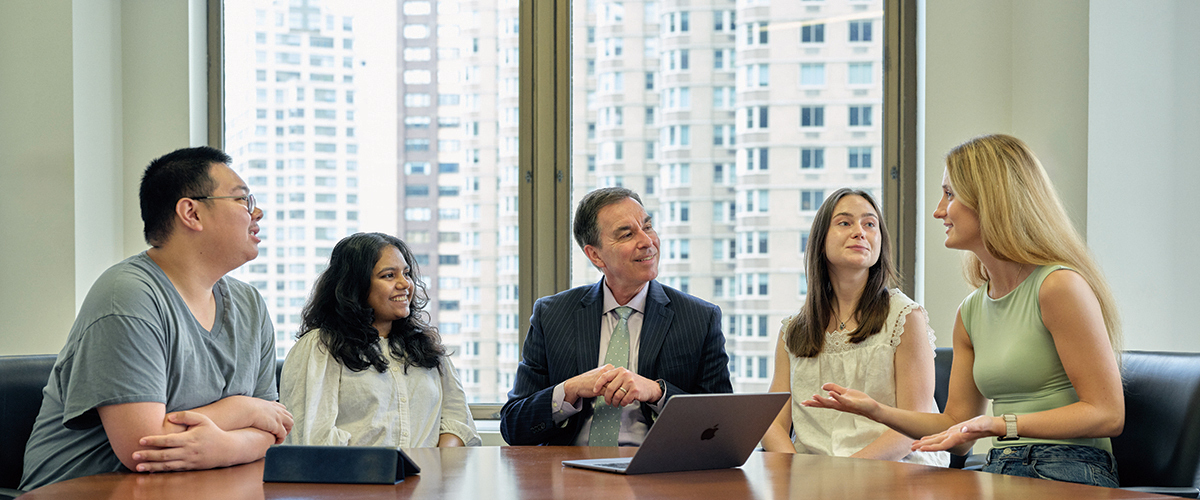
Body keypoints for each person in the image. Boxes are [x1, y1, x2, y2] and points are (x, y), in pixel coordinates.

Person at [803, 134, 1123, 487]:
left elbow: (1108, 414)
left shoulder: (1059, 287)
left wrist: (999, 424)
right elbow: (960, 424)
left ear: (990, 200)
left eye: (950, 194)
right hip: (1003, 464)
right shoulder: (970, 311)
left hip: (1069, 466)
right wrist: (876, 410)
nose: (939, 210)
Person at [21, 146, 290, 490]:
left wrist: (224, 447)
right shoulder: (128, 295)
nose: (258, 213)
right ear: (191, 213)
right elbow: (143, 446)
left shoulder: (249, 304)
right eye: (243, 201)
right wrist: (242, 409)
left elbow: (275, 430)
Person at [500, 187, 732, 446]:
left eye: (648, 227)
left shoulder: (700, 318)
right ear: (595, 255)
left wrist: (658, 393)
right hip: (569, 473)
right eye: (627, 234)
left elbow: (722, 426)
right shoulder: (552, 315)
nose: (647, 241)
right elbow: (513, 426)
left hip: (656, 474)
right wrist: (569, 390)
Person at [760, 189, 948, 466]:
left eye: (870, 224)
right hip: (815, 475)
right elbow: (772, 424)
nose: (860, 231)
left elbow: (913, 428)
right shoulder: (793, 331)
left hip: (899, 466)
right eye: (845, 223)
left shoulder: (905, 316)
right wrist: (796, 473)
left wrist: (844, 475)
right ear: (820, 241)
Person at [280, 232, 480, 447]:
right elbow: (312, 438)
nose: (405, 284)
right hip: (353, 479)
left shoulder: (425, 347)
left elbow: (458, 422)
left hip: (428, 478)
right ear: (355, 286)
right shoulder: (321, 346)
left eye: (406, 273)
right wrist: (385, 472)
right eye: (388, 276)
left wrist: (433, 466)